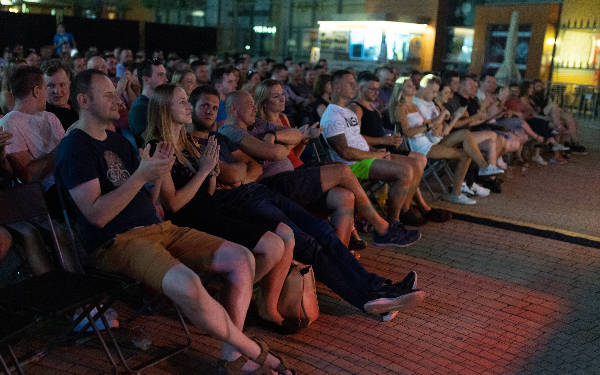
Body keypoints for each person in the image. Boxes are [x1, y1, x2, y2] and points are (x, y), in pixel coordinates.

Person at [55, 69, 295, 374]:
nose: (118, 99)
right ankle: (251, 351)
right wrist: (144, 174)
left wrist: (154, 174)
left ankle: (232, 357)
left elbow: (150, 202)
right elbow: (96, 215)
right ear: (83, 100)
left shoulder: (118, 143)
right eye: (108, 94)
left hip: (159, 229)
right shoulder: (75, 147)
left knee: (242, 257)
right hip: (117, 242)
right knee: (190, 283)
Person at [191, 85, 425, 320]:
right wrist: (241, 171)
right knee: (308, 243)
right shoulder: (202, 140)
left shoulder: (217, 138)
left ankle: (380, 288)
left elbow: (251, 168)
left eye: (214, 107)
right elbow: (238, 172)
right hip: (241, 202)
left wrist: (243, 170)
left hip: (258, 190)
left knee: (322, 229)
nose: (211, 111)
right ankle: (368, 299)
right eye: (205, 106)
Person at [142, 83, 295, 333]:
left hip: (208, 210)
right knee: (270, 247)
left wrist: (211, 173)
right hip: (186, 221)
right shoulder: (159, 146)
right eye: (182, 102)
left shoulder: (187, 141)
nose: (188, 106)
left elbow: (207, 192)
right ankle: (225, 308)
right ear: (163, 109)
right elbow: (174, 204)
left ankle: (226, 300)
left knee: (281, 237)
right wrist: (204, 172)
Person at [222, 88, 420, 248]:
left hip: (293, 176)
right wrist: (280, 140)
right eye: (248, 104)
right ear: (233, 108)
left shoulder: (260, 124)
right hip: (274, 185)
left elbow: (295, 135)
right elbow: (276, 153)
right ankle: (382, 228)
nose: (253, 108)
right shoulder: (231, 130)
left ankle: (339, 255)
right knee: (342, 170)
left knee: (345, 196)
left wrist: (276, 137)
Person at [320, 70, 425, 228]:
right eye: (350, 83)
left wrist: (376, 151)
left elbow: (357, 139)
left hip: (366, 157)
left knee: (415, 164)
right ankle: (393, 222)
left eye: (355, 82)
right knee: (405, 171)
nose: (355, 86)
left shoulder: (347, 112)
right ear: (336, 88)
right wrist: (374, 154)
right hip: (351, 165)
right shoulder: (333, 116)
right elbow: (345, 152)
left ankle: (404, 211)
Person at [350, 72, 452, 223]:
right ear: (360, 88)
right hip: (371, 152)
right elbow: (355, 137)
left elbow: (378, 130)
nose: (376, 92)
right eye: (372, 89)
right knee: (411, 167)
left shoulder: (373, 107)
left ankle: (406, 207)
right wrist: (382, 141)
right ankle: (397, 216)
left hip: (385, 146)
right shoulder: (356, 108)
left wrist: (391, 137)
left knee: (420, 160)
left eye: (377, 89)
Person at [0, 66, 64, 215]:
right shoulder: (9, 123)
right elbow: (28, 175)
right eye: (45, 88)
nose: (47, 94)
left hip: (71, 180)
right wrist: (65, 146)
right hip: (48, 195)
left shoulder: (50, 117)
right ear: (36, 91)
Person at [128, 58, 168, 140]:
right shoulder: (139, 108)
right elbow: (150, 142)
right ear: (146, 79)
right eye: (160, 75)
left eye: (165, 75)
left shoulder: (158, 103)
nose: (166, 79)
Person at [42, 60, 78, 130]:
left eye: (62, 85)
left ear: (69, 84)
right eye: (51, 86)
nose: (57, 91)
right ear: (42, 88)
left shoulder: (79, 106)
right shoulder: (43, 117)